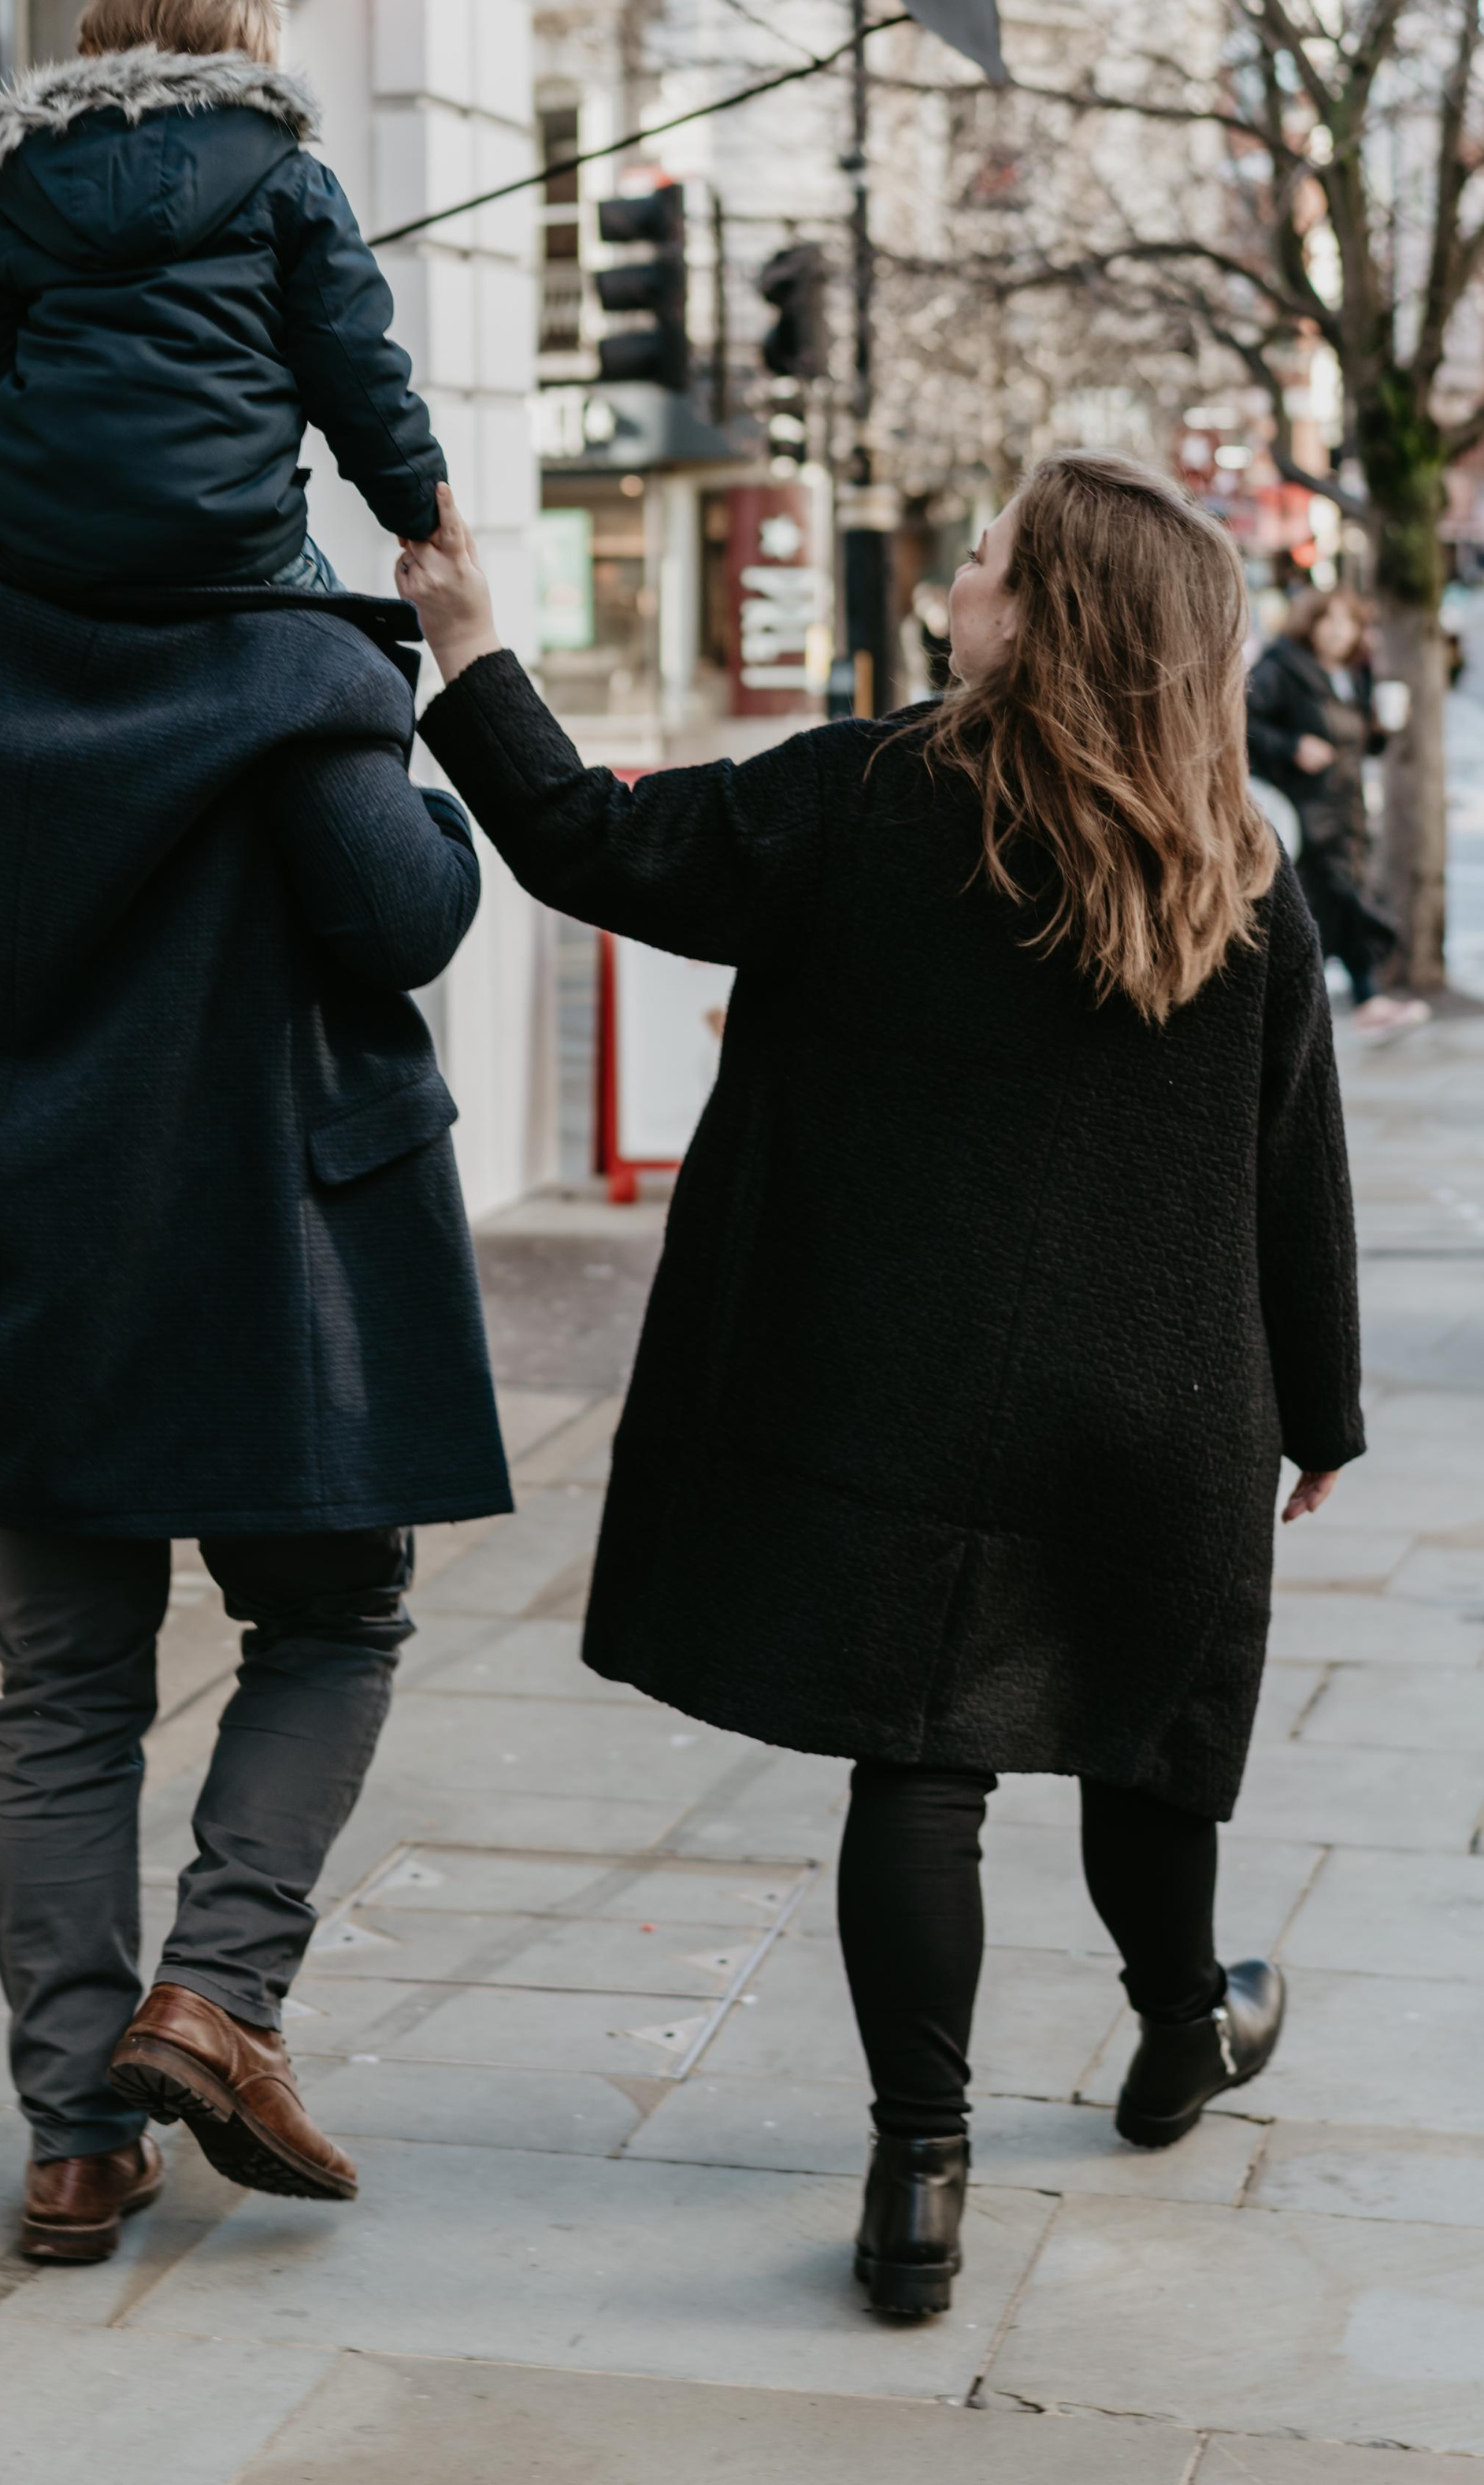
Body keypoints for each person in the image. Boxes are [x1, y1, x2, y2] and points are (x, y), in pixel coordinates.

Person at [395, 456, 1360, 2321]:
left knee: (920, 1763)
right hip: (1154, 1405)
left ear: (1045, 616)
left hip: (897, 1397)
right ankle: (1182, 2023)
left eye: (983, 556)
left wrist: (470, 648)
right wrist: (1315, 1414)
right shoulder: (1237, 876)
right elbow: (1288, 1176)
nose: (954, 577)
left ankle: (918, 2173)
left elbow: (589, 842)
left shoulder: (861, 797)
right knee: (1141, 1733)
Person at [0, 423, 509, 2264]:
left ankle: (76, 2143)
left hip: (22, 1252)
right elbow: (401, 915)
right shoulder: (291, 655)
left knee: (64, 1689)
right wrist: (430, 751)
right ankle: (216, 1995)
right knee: (328, 1621)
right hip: (271, 1270)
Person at [0, 0, 441, 595]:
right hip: (231, 542)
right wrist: (421, 509)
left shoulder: (24, 183)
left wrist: (21, 479)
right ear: (248, 64)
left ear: (99, 51)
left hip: (41, 542)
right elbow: (355, 370)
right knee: (359, 648)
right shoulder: (291, 184)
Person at [1247, 586, 1428, 1038]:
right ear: (1309, 624)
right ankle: (1353, 1000)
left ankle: (1357, 1001)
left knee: (1339, 903)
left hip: (1347, 813)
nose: (1338, 632)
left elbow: (1362, 743)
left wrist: (1382, 727)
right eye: (1328, 620)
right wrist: (1292, 746)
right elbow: (1240, 723)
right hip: (1303, 814)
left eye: (1348, 622)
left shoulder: (1354, 675)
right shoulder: (1280, 668)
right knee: (1332, 900)